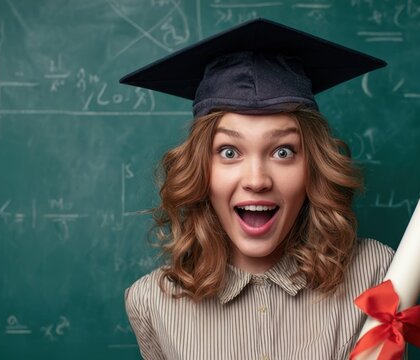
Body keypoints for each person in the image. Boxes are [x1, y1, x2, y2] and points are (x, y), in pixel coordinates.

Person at [120, 18, 395, 359]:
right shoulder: (152, 303)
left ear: (312, 168)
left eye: (283, 152)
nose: (256, 180)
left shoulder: (377, 275)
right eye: (229, 152)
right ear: (201, 170)